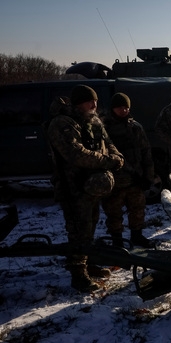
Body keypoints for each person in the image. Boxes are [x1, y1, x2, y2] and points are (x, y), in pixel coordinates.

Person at [46, 85, 124, 292]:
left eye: (96, 101)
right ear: (78, 103)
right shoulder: (62, 123)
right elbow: (75, 154)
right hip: (72, 187)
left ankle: (87, 264)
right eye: (90, 101)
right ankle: (78, 274)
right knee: (78, 229)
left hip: (91, 186)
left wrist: (117, 157)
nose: (95, 105)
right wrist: (108, 162)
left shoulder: (93, 121)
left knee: (90, 226)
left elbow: (108, 143)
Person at [101, 93, 155, 248]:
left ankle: (137, 236)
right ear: (113, 109)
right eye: (120, 107)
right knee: (113, 212)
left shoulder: (135, 127)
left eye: (126, 107)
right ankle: (117, 241)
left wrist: (148, 176)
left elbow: (146, 152)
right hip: (114, 180)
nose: (123, 110)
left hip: (135, 179)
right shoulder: (104, 128)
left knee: (137, 209)